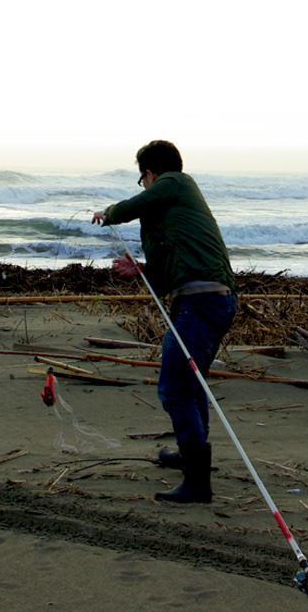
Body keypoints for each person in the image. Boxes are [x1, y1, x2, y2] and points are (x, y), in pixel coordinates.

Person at [91, 140, 236, 504]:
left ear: (150, 175)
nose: (144, 187)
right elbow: (173, 264)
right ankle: (192, 457)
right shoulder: (176, 208)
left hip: (201, 303)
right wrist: (141, 269)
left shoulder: (176, 183)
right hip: (205, 300)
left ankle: (198, 481)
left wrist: (108, 212)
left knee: (176, 389)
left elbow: (132, 207)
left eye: (143, 180)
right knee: (191, 382)